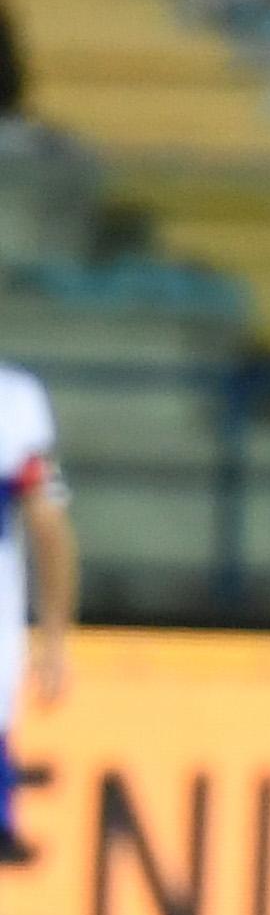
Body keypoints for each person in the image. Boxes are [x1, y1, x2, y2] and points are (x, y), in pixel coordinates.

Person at [0, 364, 77, 868]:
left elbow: (49, 531)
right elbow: (49, 529)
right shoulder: (13, 401)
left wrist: (52, 640)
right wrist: (53, 641)